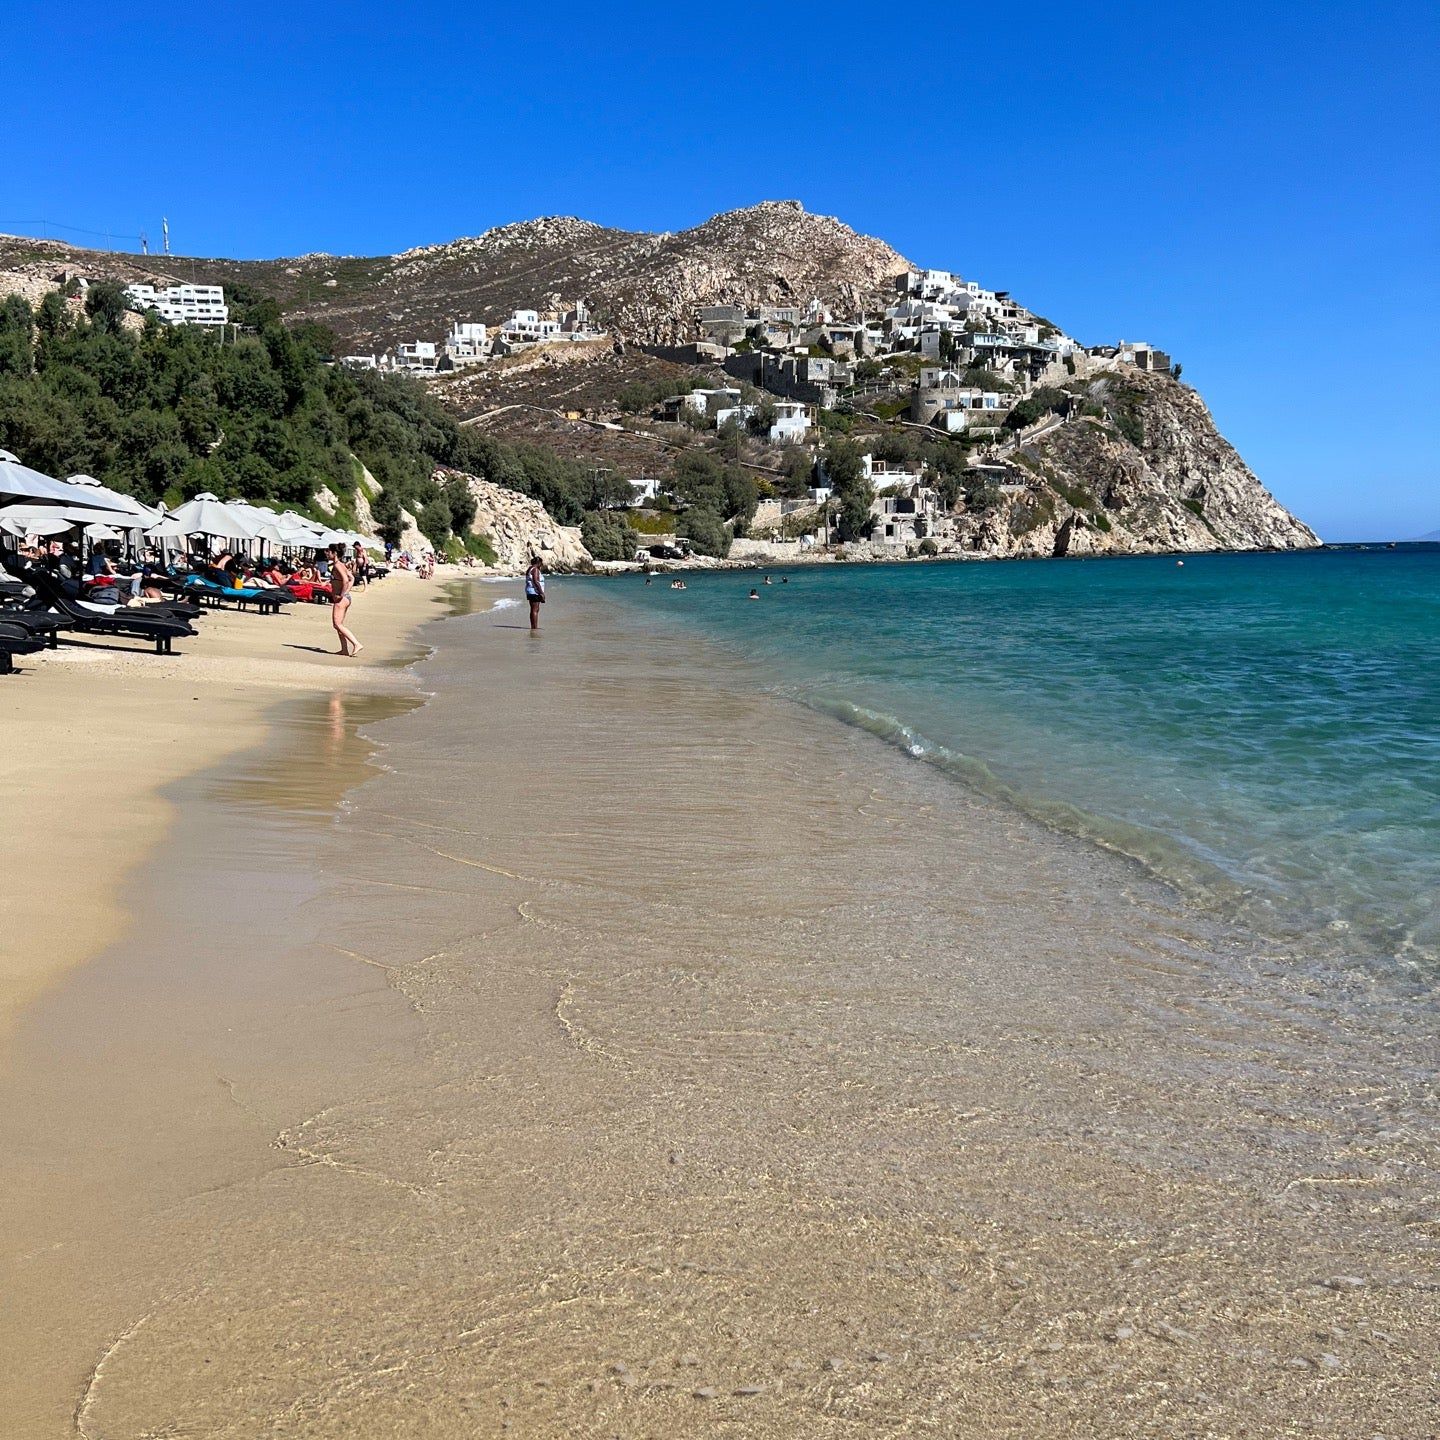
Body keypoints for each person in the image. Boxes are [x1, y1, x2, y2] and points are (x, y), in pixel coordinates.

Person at [328, 543, 362, 656]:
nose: (327, 553)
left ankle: (356, 644)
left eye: (329, 551)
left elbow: (346, 580)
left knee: (337, 624)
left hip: (341, 599)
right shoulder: (341, 565)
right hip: (345, 598)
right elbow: (352, 578)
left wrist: (341, 594)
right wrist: (347, 592)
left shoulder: (338, 566)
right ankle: (344, 650)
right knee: (339, 624)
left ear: (334, 553)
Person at [524, 554, 546, 631]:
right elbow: (536, 581)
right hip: (534, 591)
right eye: (541, 563)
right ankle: (534, 627)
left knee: (533, 609)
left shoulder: (530, 569)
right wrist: (541, 593)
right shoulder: (535, 570)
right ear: (539, 563)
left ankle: (533, 626)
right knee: (535, 610)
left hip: (530, 591)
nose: (541, 565)